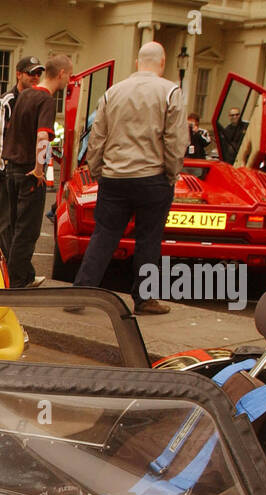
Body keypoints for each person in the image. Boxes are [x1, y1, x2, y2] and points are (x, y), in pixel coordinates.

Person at [70, 42, 186, 316]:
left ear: (137, 62)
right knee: (149, 239)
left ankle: (80, 293)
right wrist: (171, 172)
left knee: (104, 236)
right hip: (152, 176)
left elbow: (96, 136)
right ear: (163, 61)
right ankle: (144, 299)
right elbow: (175, 140)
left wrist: (98, 170)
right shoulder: (170, 92)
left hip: (114, 177)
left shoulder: (113, 92)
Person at [1, 53, 72, 287]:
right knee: (27, 230)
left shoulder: (24, 95)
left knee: (15, 225)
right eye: (68, 76)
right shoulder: (46, 101)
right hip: (29, 170)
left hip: (12, 168)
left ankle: (19, 275)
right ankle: (20, 279)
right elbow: (43, 136)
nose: (68, 82)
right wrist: (39, 169)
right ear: (60, 74)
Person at [0, 56, 43, 259]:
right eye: (30, 73)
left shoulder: (36, 101)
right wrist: (3, 172)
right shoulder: (7, 102)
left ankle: (13, 268)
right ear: (19, 74)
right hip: (5, 173)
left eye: (38, 73)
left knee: (19, 223)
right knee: (3, 223)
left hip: (20, 172)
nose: (35, 77)